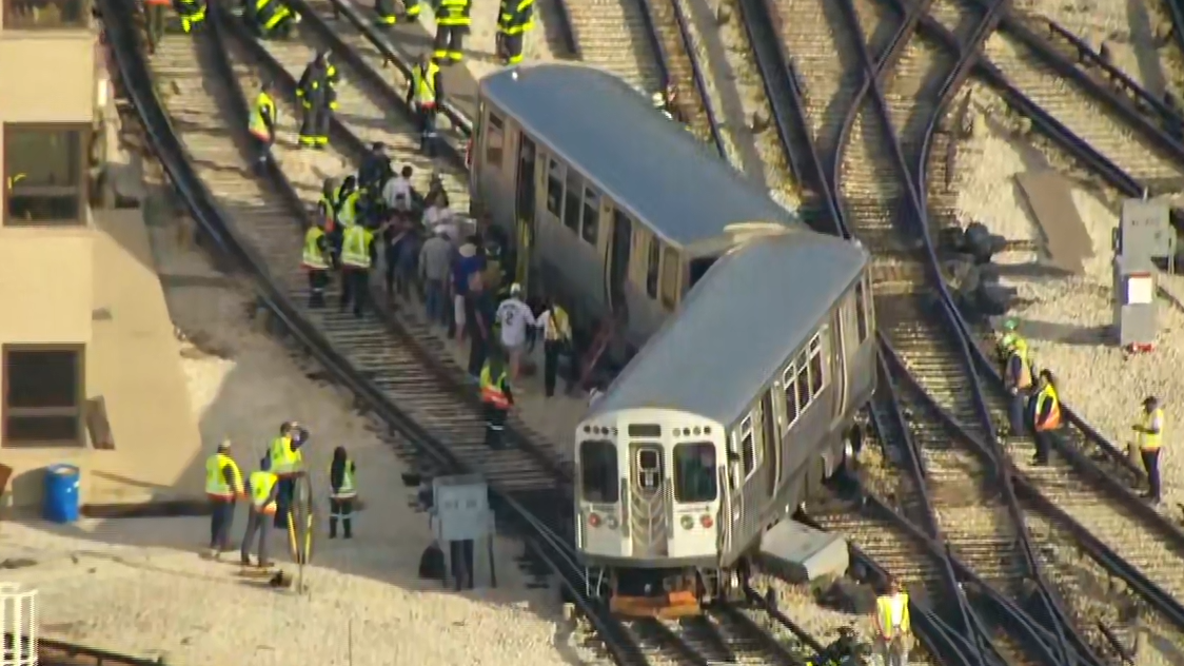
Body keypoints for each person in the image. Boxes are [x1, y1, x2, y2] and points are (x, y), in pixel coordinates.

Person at [204, 439, 243, 557]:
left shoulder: (211, 460)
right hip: (225, 495)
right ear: (226, 450)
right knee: (226, 520)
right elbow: (229, 478)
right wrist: (235, 491)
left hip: (212, 493)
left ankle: (214, 542)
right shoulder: (226, 462)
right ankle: (225, 544)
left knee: (216, 518)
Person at [241, 456, 279, 567]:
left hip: (254, 507)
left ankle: (244, 556)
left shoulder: (253, 476)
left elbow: (246, 490)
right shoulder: (273, 478)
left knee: (250, 531)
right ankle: (262, 560)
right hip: (268, 509)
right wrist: (263, 506)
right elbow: (272, 496)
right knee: (265, 534)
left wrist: (254, 503)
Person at [340, 219, 382, 318]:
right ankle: (358, 309)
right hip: (362, 266)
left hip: (348, 264)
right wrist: (373, 264)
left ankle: (344, 303)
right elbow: (373, 252)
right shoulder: (367, 235)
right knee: (361, 287)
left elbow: (341, 245)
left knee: (347, 285)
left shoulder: (347, 232)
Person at [269, 422, 307, 528]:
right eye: (290, 431)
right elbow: (306, 435)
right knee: (288, 497)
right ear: (286, 432)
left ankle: (279, 520)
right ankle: (285, 522)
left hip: (278, 472)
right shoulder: (290, 442)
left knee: (281, 496)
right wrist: (297, 426)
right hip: (289, 472)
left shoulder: (275, 442)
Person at [496, 283, 535, 383]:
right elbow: (532, 323)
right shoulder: (523, 307)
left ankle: (505, 379)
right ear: (520, 294)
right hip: (517, 339)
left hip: (504, 337)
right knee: (515, 361)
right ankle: (512, 384)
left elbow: (497, 319)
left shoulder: (503, 304)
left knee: (508, 360)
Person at [296, 52, 334, 149]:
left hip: (323, 101)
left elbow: (335, 78)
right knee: (310, 122)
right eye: (324, 60)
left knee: (322, 123)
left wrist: (330, 100)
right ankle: (305, 143)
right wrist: (300, 99)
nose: (325, 62)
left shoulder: (328, 69)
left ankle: (319, 143)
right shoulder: (311, 69)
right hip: (311, 100)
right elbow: (302, 84)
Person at [407, 54, 443, 156]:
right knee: (422, 127)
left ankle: (433, 150)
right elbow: (413, 87)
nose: (422, 65)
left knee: (430, 128)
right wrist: (409, 99)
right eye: (421, 63)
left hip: (430, 104)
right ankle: (423, 147)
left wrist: (439, 103)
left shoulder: (435, 71)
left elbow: (439, 88)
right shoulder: (416, 71)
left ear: (428, 62)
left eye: (424, 63)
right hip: (419, 103)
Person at [536, 298, 573, 397]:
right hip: (556, 343)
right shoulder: (563, 314)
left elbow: (537, 324)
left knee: (547, 365)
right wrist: (569, 340)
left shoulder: (546, 314)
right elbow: (566, 331)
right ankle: (552, 389)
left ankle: (548, 389)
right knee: (554, 365)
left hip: (547, 342)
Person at [872, 577, 912, 666]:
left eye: (896, 584)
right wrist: (880, 631)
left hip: (901, 629)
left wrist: (905, 628)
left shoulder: (904, 598)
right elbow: (875, 616)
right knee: (888, 655)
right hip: (888, 630)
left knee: (903, 653)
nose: (893, 587)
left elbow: (906, 614)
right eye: (891, 584)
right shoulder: (881, 600)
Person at [1133, 396, 1165, 503]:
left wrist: (1141, 429)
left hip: (1152, 447)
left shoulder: (1156, 414)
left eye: (1147, 405)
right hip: (1146, 447)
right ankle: (1151, 492)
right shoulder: (1149, 414)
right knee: (1150, 471)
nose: (1145, 408)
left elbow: (1155, 430)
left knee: (1153, 471)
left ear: (1152, 404)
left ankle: (1155, 495)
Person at [420, 228, 454, 329]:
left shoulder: (427, 243)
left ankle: (430, 318)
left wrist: (421, 274)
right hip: (442, 276)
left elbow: (422, 261)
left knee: (430, 296)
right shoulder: (447, 246)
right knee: (441, 298)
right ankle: (440, 320)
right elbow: (449, 263)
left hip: (430, 275)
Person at [479, 352, 513, 449]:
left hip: (487, 400)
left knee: (489, 421)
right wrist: (510, 403)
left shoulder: (486, 370)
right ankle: (496, 443)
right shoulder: (503, 373)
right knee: (498, 424)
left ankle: (488, 439)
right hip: (499, 403)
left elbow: (482, 384)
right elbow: (506, 389)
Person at [1028, 369, 1061, 466]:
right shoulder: (1044, 390)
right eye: (1040, 379)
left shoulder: (1049, 392)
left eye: (1043, 379)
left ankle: (1043, 459)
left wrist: (1041, 422)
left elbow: (1046, 409)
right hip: (1043, 420)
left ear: (1047, 380)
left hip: (1047, 420)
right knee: (1040, 438)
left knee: (1043, 439)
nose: (1041, 381)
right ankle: (1040, 455)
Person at [1002, 338, 1032, 437]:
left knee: (1016, 409)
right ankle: (1017, 429)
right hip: (1021, 386)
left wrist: (1015, 386)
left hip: (1017, 386)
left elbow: (1017, 372)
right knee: (1017, 408)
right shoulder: (1020, 356)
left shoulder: (1015, 357)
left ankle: (1017, 430)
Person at [328, 446, 358, 539]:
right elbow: (353, 470)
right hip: (348, 494)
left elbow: (331, 477)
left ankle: (333, 533)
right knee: (346, 514)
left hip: (336, 494)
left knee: (334, 513)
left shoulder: (331, 465)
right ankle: (347, 533)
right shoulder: (349, 464)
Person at [302, 219, 332, 308]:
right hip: (318, 263)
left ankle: (314, 302)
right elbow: (323, 250)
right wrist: (329, 262)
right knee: (319, 285)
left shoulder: (311, 231)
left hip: (309, 262)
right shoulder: (320, 235)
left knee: (313, 284)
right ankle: (317, 303)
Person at [248, 81, 277, 166]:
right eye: (271, 90)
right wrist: (270, 127)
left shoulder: (266, 98)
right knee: (266, 142)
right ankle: (261, 166)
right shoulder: (262, 99)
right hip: (259, 127)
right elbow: (265, 114)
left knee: (267, 144)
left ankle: (261, 162)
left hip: (260, 126)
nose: (273, 92)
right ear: (266, 90)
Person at [496, 0, 533, 65]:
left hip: (513, 22)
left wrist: (503, 23)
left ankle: (512, 60)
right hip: (521, 18)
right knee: (517, 39)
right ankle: (516, 58)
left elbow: (509, 10)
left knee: (512, 41)